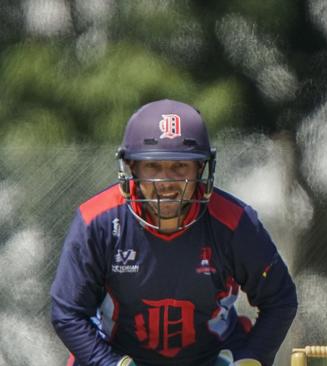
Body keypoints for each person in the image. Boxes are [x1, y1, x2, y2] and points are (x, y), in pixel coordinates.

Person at [50, 99, 297, 366]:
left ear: (201, 168)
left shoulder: (234, 222)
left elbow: (280, 299)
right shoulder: (96, 221)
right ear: (131, 168)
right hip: (119, 356)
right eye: (153, 167)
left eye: (180, 166)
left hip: (214, 358)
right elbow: (68, 312)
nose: (166, 182)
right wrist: (108, 363)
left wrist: (251, 359)